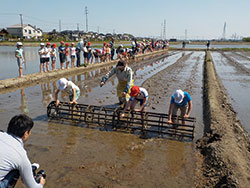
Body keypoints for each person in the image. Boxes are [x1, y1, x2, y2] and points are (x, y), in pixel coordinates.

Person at [0, 114, 46, 188]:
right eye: (30, 132)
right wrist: (41, 183)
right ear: (25, 134)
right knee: (17, 169)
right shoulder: (21, 154)